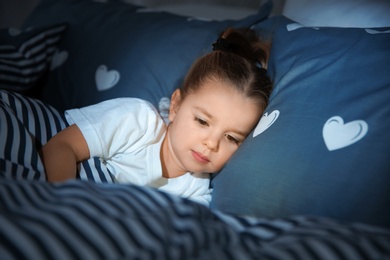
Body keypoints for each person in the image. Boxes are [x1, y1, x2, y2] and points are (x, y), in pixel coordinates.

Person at [39, 27, 273, 206]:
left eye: (232, 138)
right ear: (175, 105)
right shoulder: (138, 121)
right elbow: (61, 146)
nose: (211, 144)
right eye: (202, 121)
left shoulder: (197, 192)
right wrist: (63, 206)